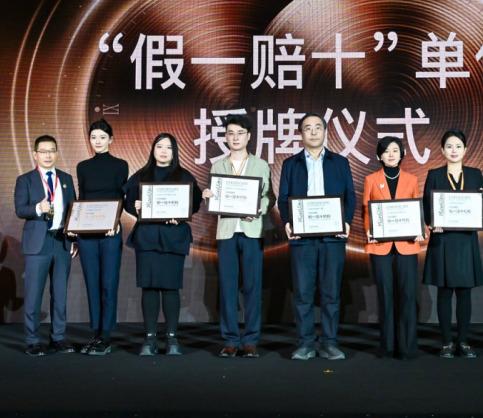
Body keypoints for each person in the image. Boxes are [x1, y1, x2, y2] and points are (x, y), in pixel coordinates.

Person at [278, 112, 356, 360]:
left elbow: (350, 196)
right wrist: (288, 222)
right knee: (303, 293)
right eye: (308, 128)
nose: (313, 132)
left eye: (317, 127)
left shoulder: (340, 162)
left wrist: (345, 222)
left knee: (331, 294)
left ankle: (329, 343)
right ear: (301, 134)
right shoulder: (291, 164)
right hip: (302, 238)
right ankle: (305, 344)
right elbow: (283, 199)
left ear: (325, 131)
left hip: (332, 236)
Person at [201, 114, 276, 358]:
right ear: (225, 136)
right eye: (231, 133)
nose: (235, 137)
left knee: (253, 286)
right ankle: (231, 340)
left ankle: (251, 340)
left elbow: (268, 196)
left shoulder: (261, 165)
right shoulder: (218, 166)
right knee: (228, 286)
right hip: (227, 231)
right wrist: (209, 197)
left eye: (240, 133)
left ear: (248, 136)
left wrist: (260, 208)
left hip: (252, 230)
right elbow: (215, 196)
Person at [123, 133, 202, 356]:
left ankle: (172, 338)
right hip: (147, 237)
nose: (164, 151)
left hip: (174, 238)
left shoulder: (184, 175)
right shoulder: (140, 175)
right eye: (159, 147)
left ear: (174, 151)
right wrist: (136, 207)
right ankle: (150, 339)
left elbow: (194, 203)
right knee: (149, 287)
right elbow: (128, 203)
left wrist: (181, 214)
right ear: (153, 150)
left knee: (170, 287)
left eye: (168, 147)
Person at [422, 129, 483, 359]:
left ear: (465, 150)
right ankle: (446, 342)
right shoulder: (434, 174)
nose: (454, 150)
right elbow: (427, 205)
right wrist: (432, 223)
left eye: (458, 146)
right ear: (442, 150)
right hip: (442, 239)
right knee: (443, 292)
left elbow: (478, 209)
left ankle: (463, 341)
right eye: (449, 146)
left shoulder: (475, 174)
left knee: (464, 292)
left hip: (465, 239)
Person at [13, 134, 78, 356]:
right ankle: (32, 340)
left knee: (60, 294)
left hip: (61, 241)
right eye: (43, 151)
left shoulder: (66, 179)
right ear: (35, 154)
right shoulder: (25, 180)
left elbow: (73, 210)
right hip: (38, 243)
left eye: (52, 150)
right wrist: (38, 208)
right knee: (33, 294)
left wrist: (74, 238)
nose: (48, 155)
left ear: (57, 153)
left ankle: (58, 338)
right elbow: (20, 209)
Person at [72, 119, 129, 356]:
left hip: (110, 233)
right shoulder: (83, 166)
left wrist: (114, 222)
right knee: (92, 284)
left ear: (111, 140)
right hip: (86, 234)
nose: (98, 141)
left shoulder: (120, 165)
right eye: (94, 137)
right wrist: (75, 233)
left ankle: (105, 336)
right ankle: (96, 334)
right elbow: (81, 199)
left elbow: (121, 198)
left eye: (102, 137)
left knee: (108, 283)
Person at [363, 136, 422, 360]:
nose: (391, 154)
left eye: (395, 150)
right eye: (386, 151)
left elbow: (416, 208)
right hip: (380, 243)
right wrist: (369, 230)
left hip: (407, 242)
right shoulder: (371, 179)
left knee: (407, 294)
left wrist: (419, 229)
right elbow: (367, 210)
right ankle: (387, 347)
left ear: (402, 154)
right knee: (385, 294)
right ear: (379, 155)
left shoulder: (411, 179)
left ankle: (407, 347)